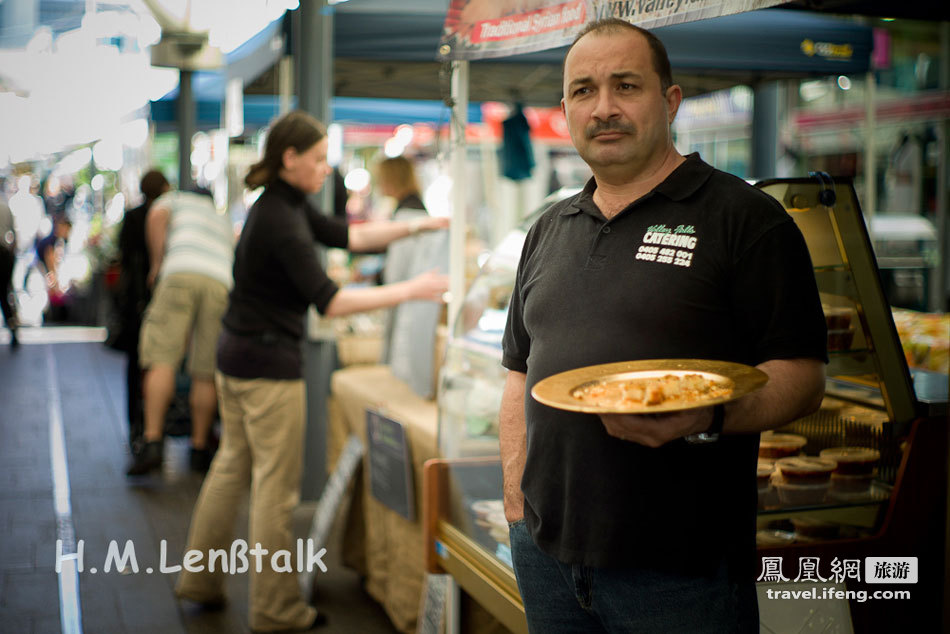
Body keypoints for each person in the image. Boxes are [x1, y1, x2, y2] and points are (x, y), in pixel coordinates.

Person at [499, 19, 827, 633]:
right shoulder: (548, 228)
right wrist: (517, 498)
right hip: (546, 555)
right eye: (583, 91)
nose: (604, 109)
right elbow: (518, 372)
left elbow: (803, 378)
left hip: (679, 571)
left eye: (626, 86)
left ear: (669, 101)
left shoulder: (746, 219)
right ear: (565, 109)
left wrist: (707, 417)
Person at [175, 110, 448, 633]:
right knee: (275, 491)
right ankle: (275, 609)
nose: (327, 168)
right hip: (267, 366)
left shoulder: (283, 205)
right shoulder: (281, 220)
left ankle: (199, 580)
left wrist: (418, 224)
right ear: (290, 158)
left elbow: (349, 236)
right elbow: (331, 302)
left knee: (231, 467)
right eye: (319, 159)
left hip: (235, 356)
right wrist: (413, 290)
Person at [126, 185, 233, 476]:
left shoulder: (175, 199)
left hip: (180, 271)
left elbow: (157, 216)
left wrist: (157, 262)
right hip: (220, 281)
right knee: (205, 368)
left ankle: (153, 442)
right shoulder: (220, 217)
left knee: (161, 357)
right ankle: (199, 448)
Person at [116, 169, 170, 450]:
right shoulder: (165, 215)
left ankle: (137, 425)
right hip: (159, 299)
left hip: (135, 304)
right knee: (160, 362)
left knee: (136, 364)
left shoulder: (132, 217)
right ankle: (156, 426)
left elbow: (123, 258)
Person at [0, 184, 19, 347]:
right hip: (5, 254)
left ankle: (13, 327)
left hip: (3, 253)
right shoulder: (5, 207)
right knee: (5, 293)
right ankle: (13, 327)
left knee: (4, 294)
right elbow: (14, 234)